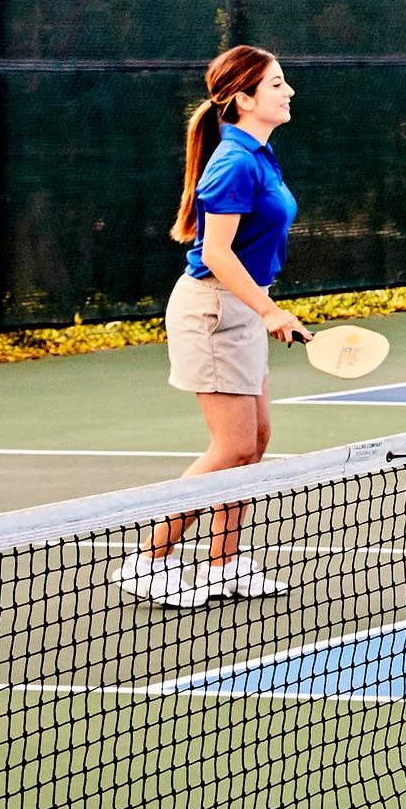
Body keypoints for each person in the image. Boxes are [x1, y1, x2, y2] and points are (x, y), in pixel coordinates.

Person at [123, 44, 311, 610]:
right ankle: (148, 561)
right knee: (230, 445)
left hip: (242, 309)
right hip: (213, 311)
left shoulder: (259, 153)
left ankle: (222, 565)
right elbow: (220, 254)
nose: (289, 91)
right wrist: (270, 311)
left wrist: (266, 309)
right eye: (277, 84)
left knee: (255, 441)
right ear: (244, 97)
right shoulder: (233, 162)